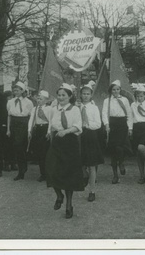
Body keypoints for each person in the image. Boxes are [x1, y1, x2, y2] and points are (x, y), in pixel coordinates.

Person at [46, 83, 85, 219]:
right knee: (50, 168)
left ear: (69, 96)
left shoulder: (74, 110)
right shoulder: (54, 109)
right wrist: (50, 134)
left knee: (68, 174)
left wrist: (66, 132)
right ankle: (59, 195)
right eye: (59, 95)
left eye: (64, 95)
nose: (61, 97)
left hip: (70, 142)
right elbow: (52, 125)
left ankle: (69, 205)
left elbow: (78, 126)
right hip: (57, 141)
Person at [102, 80, 133, 184]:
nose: (115, 91)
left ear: (120, 90)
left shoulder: (124, 100)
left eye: (117, 89)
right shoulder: (107, 101)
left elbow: (129, 114)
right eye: (113, 89)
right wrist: (106, 125)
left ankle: (121, 162)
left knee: (121, 148)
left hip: (122, 124)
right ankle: (115, 175)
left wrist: (130, 128)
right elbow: (104, 113)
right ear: (111, 90)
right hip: (112, 125)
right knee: (113, 151)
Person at [79, 84, 104, 201]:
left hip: (90, 136)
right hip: (78, 136)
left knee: (92, 165)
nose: (85, 96)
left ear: (91, 95)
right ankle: (84, 175)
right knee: (79, 162)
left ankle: (92, 191)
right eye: (83, 93)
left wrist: (87, 125)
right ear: (80, 94)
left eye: (88, 94)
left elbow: (98, 124)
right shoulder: (76, 107)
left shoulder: (94, 108)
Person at [6, 81, 34, 180]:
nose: (15, 91)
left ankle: (23, 168)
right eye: (14, 90)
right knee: (16, 147)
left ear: (22, 91)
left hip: (24, 124)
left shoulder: (28, 102)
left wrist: (29, 130)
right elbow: (9, 116)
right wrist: (8, 129)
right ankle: (21, 169)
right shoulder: (10, 102)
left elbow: (31, 116)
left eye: (17, 90)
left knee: (20, 145)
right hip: (14, 124)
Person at [27, 90, 51, 182]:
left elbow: (50, 122)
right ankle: (43, 174)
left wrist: (48, 132)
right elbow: (31, 120)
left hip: (45, 130)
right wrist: (29, 131)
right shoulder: (35, 109)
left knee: (46, 153)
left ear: (46, 100)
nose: (38, 100)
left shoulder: (49, 109)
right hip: (38, 130)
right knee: (40, 153)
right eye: (38, 98)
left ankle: (49, 174)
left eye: (41, 99)